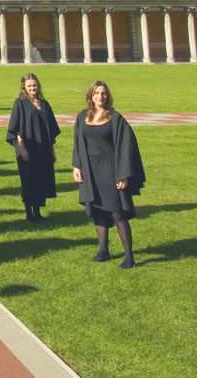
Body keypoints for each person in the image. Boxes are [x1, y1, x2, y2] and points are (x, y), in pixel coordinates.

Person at [72, 81, 146, 269]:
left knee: (117, 212)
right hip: (90, 170)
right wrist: (77, 166)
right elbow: (78, 143)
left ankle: (129, 256)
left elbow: (126, 147)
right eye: (97, 93)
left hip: (111, 169)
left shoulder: (115, 118)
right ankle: (103, 250)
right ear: (90, 96)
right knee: (98, 211)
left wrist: (123, 174)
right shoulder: (83, 116)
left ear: (108, 96)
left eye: (103, 93)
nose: (100, 96)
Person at [7, 72, 61, 222]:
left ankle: (37, 212)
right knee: (29, 180)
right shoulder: (20, 103)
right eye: (29, 86)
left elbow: (50, 130)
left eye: (35, 85)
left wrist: (52, 150)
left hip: (43, 148)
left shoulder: (44, 104)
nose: (33, 88)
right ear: (24, 87)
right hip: (27, 147)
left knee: (40, 178)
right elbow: (16, 128)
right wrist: (22, 148)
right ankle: (29, 213)